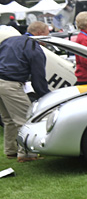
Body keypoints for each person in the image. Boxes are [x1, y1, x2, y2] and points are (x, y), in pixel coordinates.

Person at [0, 21, 50, 161]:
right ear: (40, 33)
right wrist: (45, 96)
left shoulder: (10, 40)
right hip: (10, 83)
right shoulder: (34, 46)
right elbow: (38, 77)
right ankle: (26, 154)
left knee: (8, 119)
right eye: (48, 33)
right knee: (25, 120)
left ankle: (11, 150)